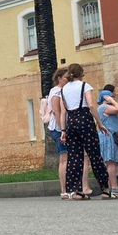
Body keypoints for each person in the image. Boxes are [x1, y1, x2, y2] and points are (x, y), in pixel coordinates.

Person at [58, 63, 114, 200]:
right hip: (85, 120)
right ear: (81, 73)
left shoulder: (63, 89)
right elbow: (90, 105)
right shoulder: (85, 86)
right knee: (94, 155)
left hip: (71, 122)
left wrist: (63, 130)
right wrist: (99, 123)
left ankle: (75, 190)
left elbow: (64, 112)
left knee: (74, 156)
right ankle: (106, 189)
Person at [44, 68, 69, 198]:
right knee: (64, 157)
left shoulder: (64, 90)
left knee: (67, 157)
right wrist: (62, 130)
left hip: (64, 127)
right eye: (65, 77)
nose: (67, 79)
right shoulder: (56, 92)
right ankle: (64, 189)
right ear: (59, 78)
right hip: (58, 129)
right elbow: (57, 112)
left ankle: (69, 186)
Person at [97, 88, 118, 194]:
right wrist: (113, 101)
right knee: (111, 162)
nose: (114, 98)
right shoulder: (104, 107)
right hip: (109, 136)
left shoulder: (104, 107)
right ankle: (114, 187)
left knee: (112, 162)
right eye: (112, 97)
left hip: (110, 136)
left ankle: (111, 186)